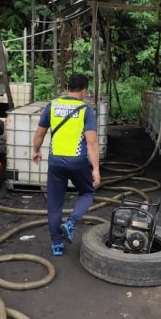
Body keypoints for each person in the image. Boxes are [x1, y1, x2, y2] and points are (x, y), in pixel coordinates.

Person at [32, 74, 100, 256]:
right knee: (88, 192)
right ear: (84, 91)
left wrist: (36, 151)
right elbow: (92, 142)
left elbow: (39, 134)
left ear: (67, 88)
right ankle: (71, 222)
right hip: (77, 162)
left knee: (54, 204)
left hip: (55, 162)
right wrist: (96, 169)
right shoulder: (86, 111)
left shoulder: (52, 106)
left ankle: (57, 244)